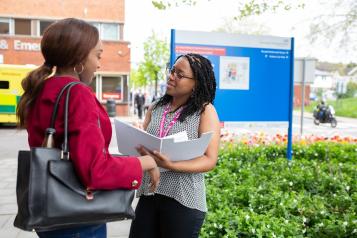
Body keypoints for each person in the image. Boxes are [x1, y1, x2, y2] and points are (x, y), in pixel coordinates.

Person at [16, 18, 159, 238]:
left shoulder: (42, 89)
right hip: (77, 216)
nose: (99, 64)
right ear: (79, 58)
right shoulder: (77, 94)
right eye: (98, 55)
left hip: (49, 208)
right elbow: (94, 170)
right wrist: (144, 162)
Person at [129, 53, 221, 238]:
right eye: (172, 71)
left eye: (180, 74)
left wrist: (170, 165)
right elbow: (144, 144)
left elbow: (209, 160)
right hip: (150, 193)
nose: (171, 77)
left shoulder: (205, 111)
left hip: (183, 199)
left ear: (196, 83)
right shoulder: (155, 107)